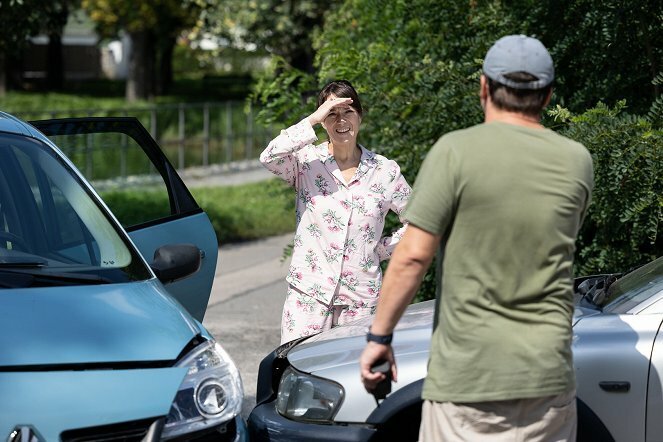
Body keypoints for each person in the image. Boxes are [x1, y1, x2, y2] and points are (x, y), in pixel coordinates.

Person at [360, 35, 594, 441]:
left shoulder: (455, 152)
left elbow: (413, 257)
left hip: (469, 382)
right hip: (548, 378)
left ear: (483, 87)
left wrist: (379, 337)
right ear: (548, 95)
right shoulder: (577, 161)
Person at [260, 80, 411, 344]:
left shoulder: (385, 171)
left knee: (353, 377)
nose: (341, 121)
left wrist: (382, 249)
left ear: (360, 116)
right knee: (296, 373)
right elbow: (269, 156)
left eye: (347, 112)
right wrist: (313, 119)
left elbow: (419, 222)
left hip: (361, 300)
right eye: (332, 113)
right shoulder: (306, 163)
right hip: (309, 296)